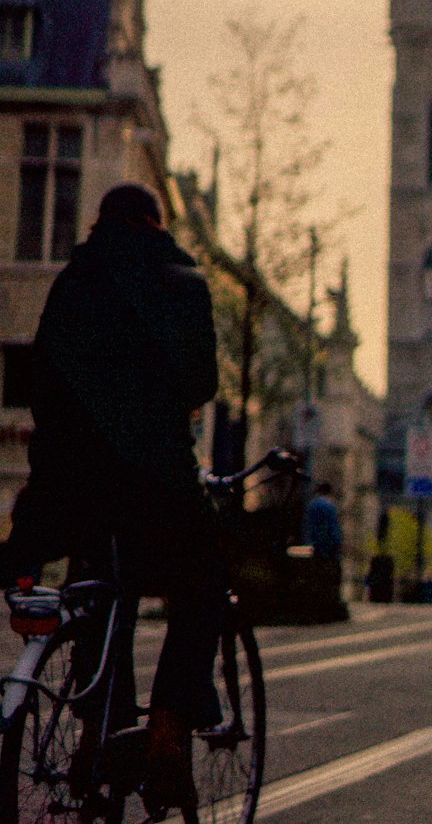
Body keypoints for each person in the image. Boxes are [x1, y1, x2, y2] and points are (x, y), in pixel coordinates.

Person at [0, 183, 227, 812]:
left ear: (101, 222)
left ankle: (94, 738)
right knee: (203, 584)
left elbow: (41, 379)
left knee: (97, 590)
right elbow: (201, 381)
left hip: (74, 493)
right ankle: (166, 734)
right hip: (157, 487)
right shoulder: (184, 279)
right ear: (158, 224)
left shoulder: (73, 281)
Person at [306, 480, 345, 615]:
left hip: (315, 547)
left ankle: (316, 605)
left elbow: (308, 527)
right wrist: (337, 545)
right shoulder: (329, 506)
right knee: (331, 578)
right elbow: (333, 529)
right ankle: (329, 607)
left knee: (316, 578)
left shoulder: (312, 505)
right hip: (329, 549)